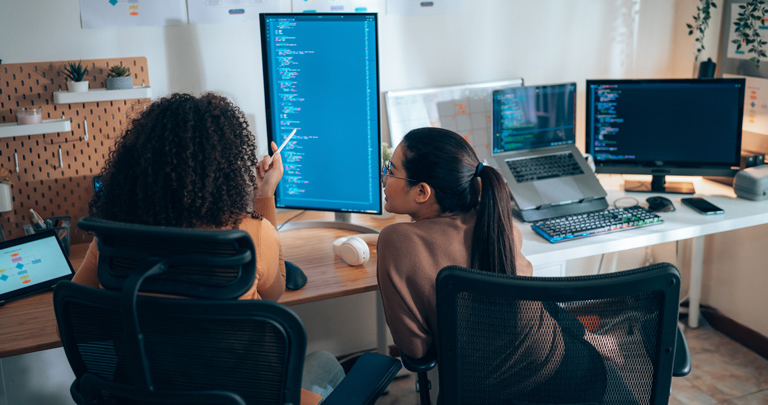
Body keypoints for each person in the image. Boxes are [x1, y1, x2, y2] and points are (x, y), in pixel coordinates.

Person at [72, 92, 342, 405]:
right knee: (325, 363)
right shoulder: (248, 235)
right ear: (225, 167)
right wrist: (264, 196)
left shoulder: (113, 240)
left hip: (147, 396)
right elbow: (274, 294)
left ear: (140, 163)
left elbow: (78, 314)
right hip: (237, 397)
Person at [377, 127, 611, 403]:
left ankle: (604, 344)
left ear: (422, 191)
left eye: (391, 170)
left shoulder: (396, 240)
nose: (383, 177)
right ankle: (606, 345)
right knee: (547, 309)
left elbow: (416, 351)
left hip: (483, 394)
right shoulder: (499, 223)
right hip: (572, 378)